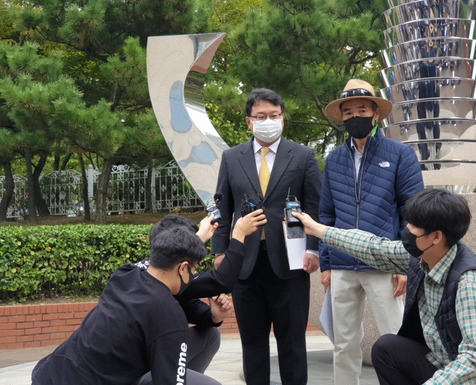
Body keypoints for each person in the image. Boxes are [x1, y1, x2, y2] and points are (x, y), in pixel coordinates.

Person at [293, 188, 476, 385]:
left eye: (413, 226)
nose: (406, 231)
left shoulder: (470, 282)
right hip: (446, 364)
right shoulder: (425, 257)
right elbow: (373, 247)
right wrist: (318, 230)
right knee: (388, 348)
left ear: (436, 236)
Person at [211, 88, 322, 385]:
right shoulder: (231, 157)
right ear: (249, 122)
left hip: (291, 262)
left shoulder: (303, 155)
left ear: (283, 119)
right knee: (253, 344)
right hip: (244, 265)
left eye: (274, 116)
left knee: (293, 344)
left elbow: (315, 208)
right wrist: (220, 253)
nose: (268, 121)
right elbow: (223, 209)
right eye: (261, 116)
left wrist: (314, 250)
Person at [320, 78, 424, 383]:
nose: (355, 116)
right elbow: (326, 214)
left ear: (375, 113)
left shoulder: (399, 155)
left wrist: (406, 263)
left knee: (395, 339)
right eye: (348, 111)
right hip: (341, 264)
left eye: (362, 109)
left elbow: (413, 212)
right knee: (343, 344)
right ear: (341, 117)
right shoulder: (333, 159)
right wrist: (326, 264)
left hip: (383, 263)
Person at [31, 225, 218, 385]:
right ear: (183, 267)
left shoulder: (125, 275)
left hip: (49, 374)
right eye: (194, 270)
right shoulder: (168, 313)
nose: (193, 276)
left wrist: (196, 238)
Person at [133, 210, 266, 384]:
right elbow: (222, 281)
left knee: (211, 334)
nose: (195, 268)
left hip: (150, 358)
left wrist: (214, 315)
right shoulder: (162, 278)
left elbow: (190, 308)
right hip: (136, 370)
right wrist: (239, 234)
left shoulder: (135, 273)